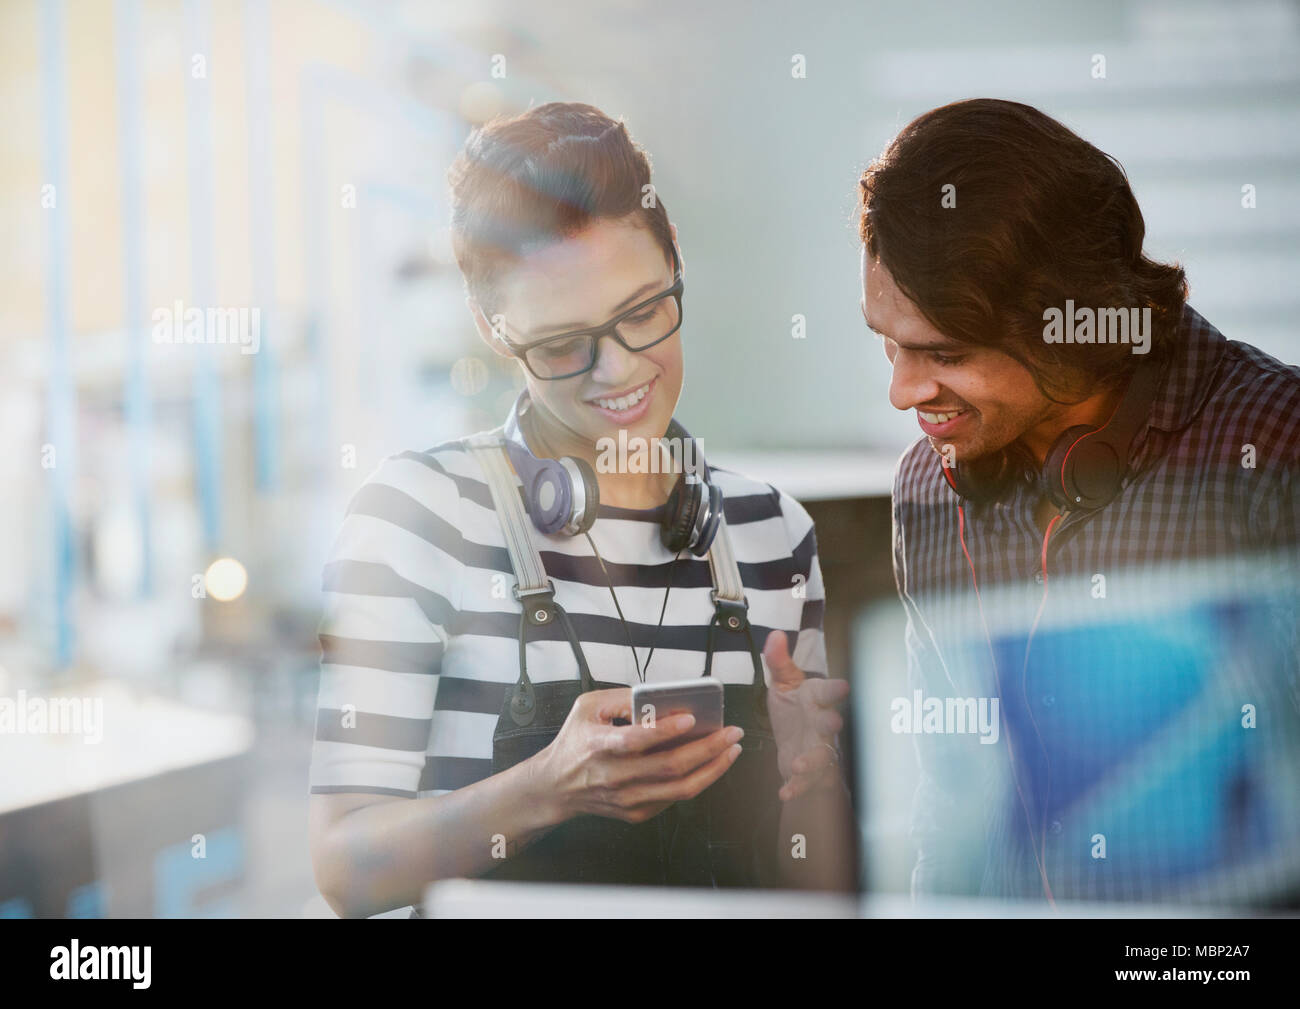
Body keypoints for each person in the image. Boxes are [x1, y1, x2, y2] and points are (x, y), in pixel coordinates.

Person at [308, 102, 854, 917]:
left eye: (643, 312)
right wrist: (544, 791)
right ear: (495, 330)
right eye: (564, 344)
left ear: (675, 262)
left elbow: (817, 884)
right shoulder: (414, 520)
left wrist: (813, 778)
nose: (618, 371)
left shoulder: (771, 529)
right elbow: (346, 868)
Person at [859, 99, 1300, 904]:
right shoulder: (929, 484)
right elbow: (947, 797)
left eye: (944, 353)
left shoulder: (1275, 446)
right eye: (890, 345)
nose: (903, 392)